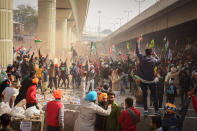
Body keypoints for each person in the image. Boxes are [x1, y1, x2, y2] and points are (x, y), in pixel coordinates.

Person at [136, 35, 160, 115]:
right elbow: (159, 61)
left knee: (145, 96)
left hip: (143, 80)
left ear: (145, 53)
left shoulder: (142, 58)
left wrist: (138, 41)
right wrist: (155, 54)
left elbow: (138, 51)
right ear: (151, 53)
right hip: (152, 80)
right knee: (154, 96)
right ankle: (157, 111)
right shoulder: (154, 60)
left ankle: (146, 110)